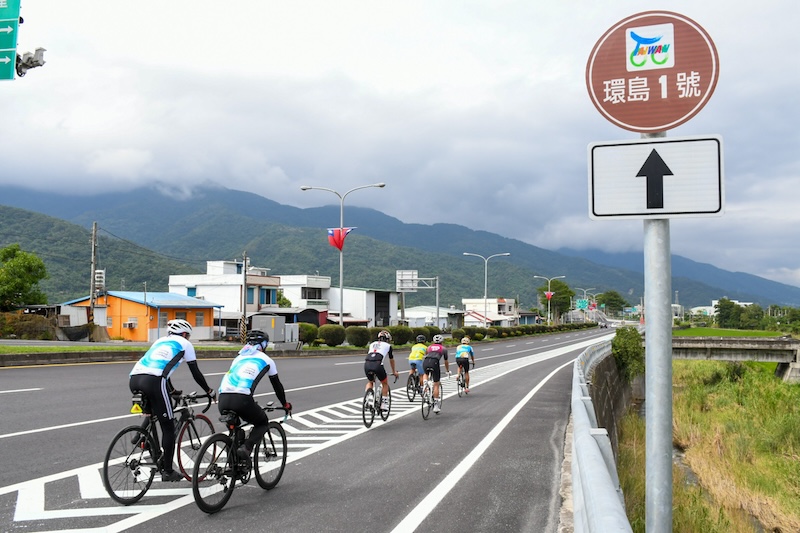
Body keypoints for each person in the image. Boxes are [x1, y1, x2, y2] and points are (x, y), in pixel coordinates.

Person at [129, 319, 216, 482]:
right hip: (154, 381)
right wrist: (209, 391)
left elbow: (160, 368)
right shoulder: (185, 344)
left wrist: (173, 391)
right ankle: (168, 471)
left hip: (134, 378)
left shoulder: (159, 341)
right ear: (184, 334)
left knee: (154, 410)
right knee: (168, 426)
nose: (188, 338)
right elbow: (196, 373)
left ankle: (140, 437)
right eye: (188, 336)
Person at [218, 330, 292, 470]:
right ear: (263, 345)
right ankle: (247, 447)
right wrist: (285, 404)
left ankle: (233, 466)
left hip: (223, 398)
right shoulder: (266, 360)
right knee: (262, 422)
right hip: (242, 399)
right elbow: (277, 386)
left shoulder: (238, 357)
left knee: (235, 431)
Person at [364, 330, 399, 412]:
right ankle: (384, 404)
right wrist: (394, 371)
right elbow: (391, 360)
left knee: (370, 382)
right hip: (378, 365)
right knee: (385, 383)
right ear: (387, 339)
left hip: (367, 364)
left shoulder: (372, 344)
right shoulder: (388, 346)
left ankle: (368, 398)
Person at [423, 334, 450, 414]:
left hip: (426, 361)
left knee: (426, 373)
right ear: (442, 342)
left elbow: (426, 354)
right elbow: (446, 361)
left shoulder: (429, 347)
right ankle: (436, 405)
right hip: (435, 362)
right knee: (436, 384)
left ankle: (425, 383)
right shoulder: (444, 349)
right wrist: (447, 370)